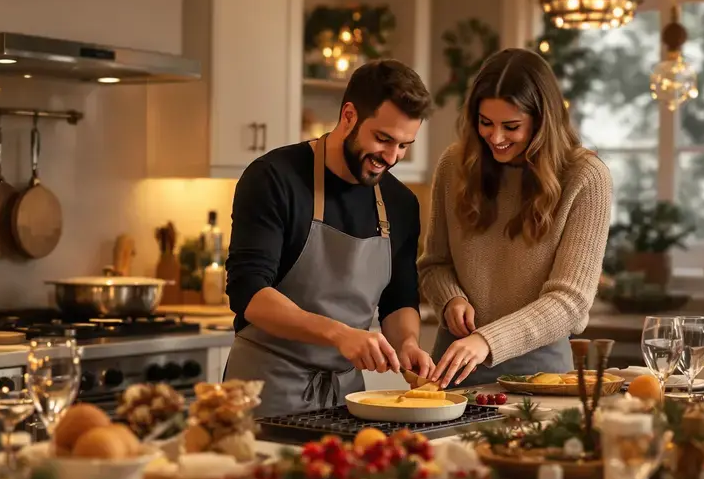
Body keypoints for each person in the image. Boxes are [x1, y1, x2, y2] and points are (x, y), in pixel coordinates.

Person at [224, 59, 435, 416]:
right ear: (349, 115)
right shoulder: (275, 178)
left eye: (404, 146)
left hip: (346, 398)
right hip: (262, 390)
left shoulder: (400, 203)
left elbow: (399, 298)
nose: (391, 157)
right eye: (383, 139)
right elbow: (249, 293)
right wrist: (340, 334)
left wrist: (408, 343)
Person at [418, 48, 612, 388]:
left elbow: (570, 302)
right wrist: (451, 298)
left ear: (542, 121)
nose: (495, 137)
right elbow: (434, 264)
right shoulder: (455, 166)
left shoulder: (585, 177)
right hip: (454, 367)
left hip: (540, 374)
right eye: (485, 123)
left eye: (511, 126)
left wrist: (487, 340)